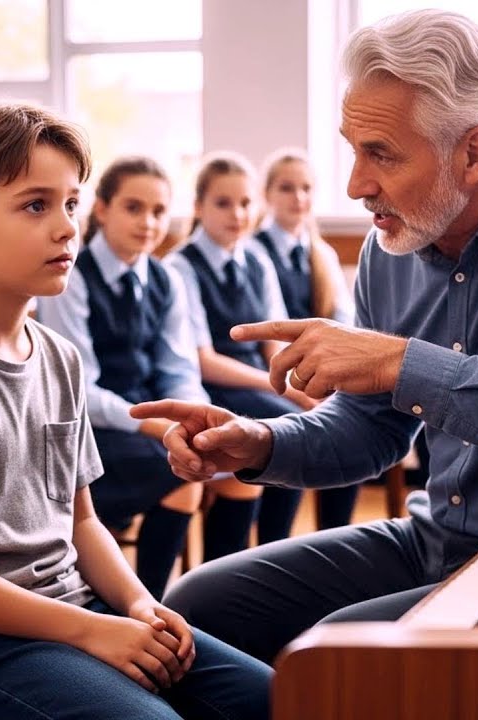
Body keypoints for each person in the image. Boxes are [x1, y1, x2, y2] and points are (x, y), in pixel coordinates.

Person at [135, 9, 478, 665]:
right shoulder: (390, 249)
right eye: (354, 148)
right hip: (438, 539)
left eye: (382, 154)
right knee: (199, 608)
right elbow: (369, 433)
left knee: (335, 659)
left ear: (473, 153)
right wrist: (257, 444)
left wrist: (400, 363)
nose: (356, 185)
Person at [0, 98, 270, 720]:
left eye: (71, 203)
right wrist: (89, 632)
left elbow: (80, 523)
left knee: (275, 697)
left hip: (70, 606)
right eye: (35, 205)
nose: (67, 226)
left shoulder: (58, 357)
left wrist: (136, 604)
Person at [35, 156, 206, 600]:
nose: (148, 223)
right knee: (181, 472)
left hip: (146, 422)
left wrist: (190, 413)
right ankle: (136, 603)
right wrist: (154, 423)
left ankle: (152, 601)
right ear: (104, 210)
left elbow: (178, 367)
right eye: (133, 208)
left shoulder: (166, 279)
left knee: (197, 460)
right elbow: (76, 390)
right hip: (87, 425)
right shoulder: (72, 278)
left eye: (158, 211)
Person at [163, 153, 313, 561]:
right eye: (223, 203)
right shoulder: (180, 266)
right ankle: (235, 558)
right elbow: (203, 360)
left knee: (308, 418)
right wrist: (277, 388)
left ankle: (273, 552)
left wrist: (297, 386)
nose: (237, 214)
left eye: (245, 203)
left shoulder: (256, 260)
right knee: (287, 423)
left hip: (256, 383)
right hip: (212, 384)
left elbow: (275, 345)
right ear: (198, 207)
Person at [250, 150, 359, 539]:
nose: (298, 198)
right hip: (275, 369)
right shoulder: (253, 252)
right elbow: (266, 331)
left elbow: (343, 320)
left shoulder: (322, 253)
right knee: (295, 432)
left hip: (319, 368)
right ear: (267, 194)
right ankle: (274, 541)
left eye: (306, 188)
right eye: (286, 188)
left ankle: (333, 538)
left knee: (351, 427)